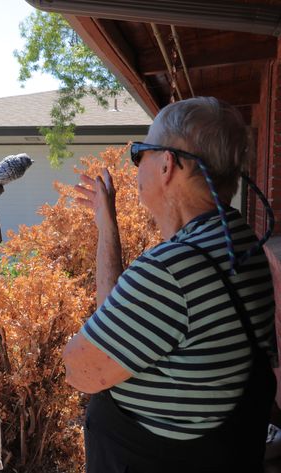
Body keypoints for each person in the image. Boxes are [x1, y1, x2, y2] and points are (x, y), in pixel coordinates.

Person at [65, 96, 276, 473]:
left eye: (139, 152)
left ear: (167, 164)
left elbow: (81, 371)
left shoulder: (171, 272)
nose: (136, 166)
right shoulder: (242, 244)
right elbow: (120, 333)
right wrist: (106, 226)